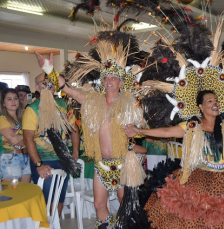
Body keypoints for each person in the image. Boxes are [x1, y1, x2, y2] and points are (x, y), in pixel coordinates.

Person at [124, 91, 224, 228]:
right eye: (209, 101)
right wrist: (140, 131)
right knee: (197, 218)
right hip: (200, 178)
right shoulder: (192, 126)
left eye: (216, 100)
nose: (214, 103)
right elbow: (167, 132)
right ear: (201, 107)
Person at [35, 39, 147, 228]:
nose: (109, 81)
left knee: (126, 205)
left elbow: (143, 127)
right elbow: (68, 89)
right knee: (98, 204)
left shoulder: (130, 103)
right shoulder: (92, 101)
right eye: (106, 78)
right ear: (103, 80)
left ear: (120, 82)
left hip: (124, 162)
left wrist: (135, 132)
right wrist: (49, 71)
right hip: (100, 163)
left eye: (113, 78)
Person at [22, 73, 80, 216]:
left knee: (59, 199)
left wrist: (75, 152)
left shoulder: (63, 104)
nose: (48, 85)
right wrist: (38, 164)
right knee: (47, 199)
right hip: (44, 161)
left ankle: (56, 224)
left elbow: (75, 130)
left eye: (51, 82)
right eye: (44, 82)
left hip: (63, 159)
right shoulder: (32, 109)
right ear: (37, 87)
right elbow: (27, 138)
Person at [0, 88, 31, 182]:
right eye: (9, 99)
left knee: (24, 192)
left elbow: (35, 136)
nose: (13, 101)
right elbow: (13, 140)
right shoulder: (2, 118)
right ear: (3, 103)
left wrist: (21, 137)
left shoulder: (24, 117)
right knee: (12, 194)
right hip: (10, 158)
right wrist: (27, 137)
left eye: (15, 98)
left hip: (26, 156)